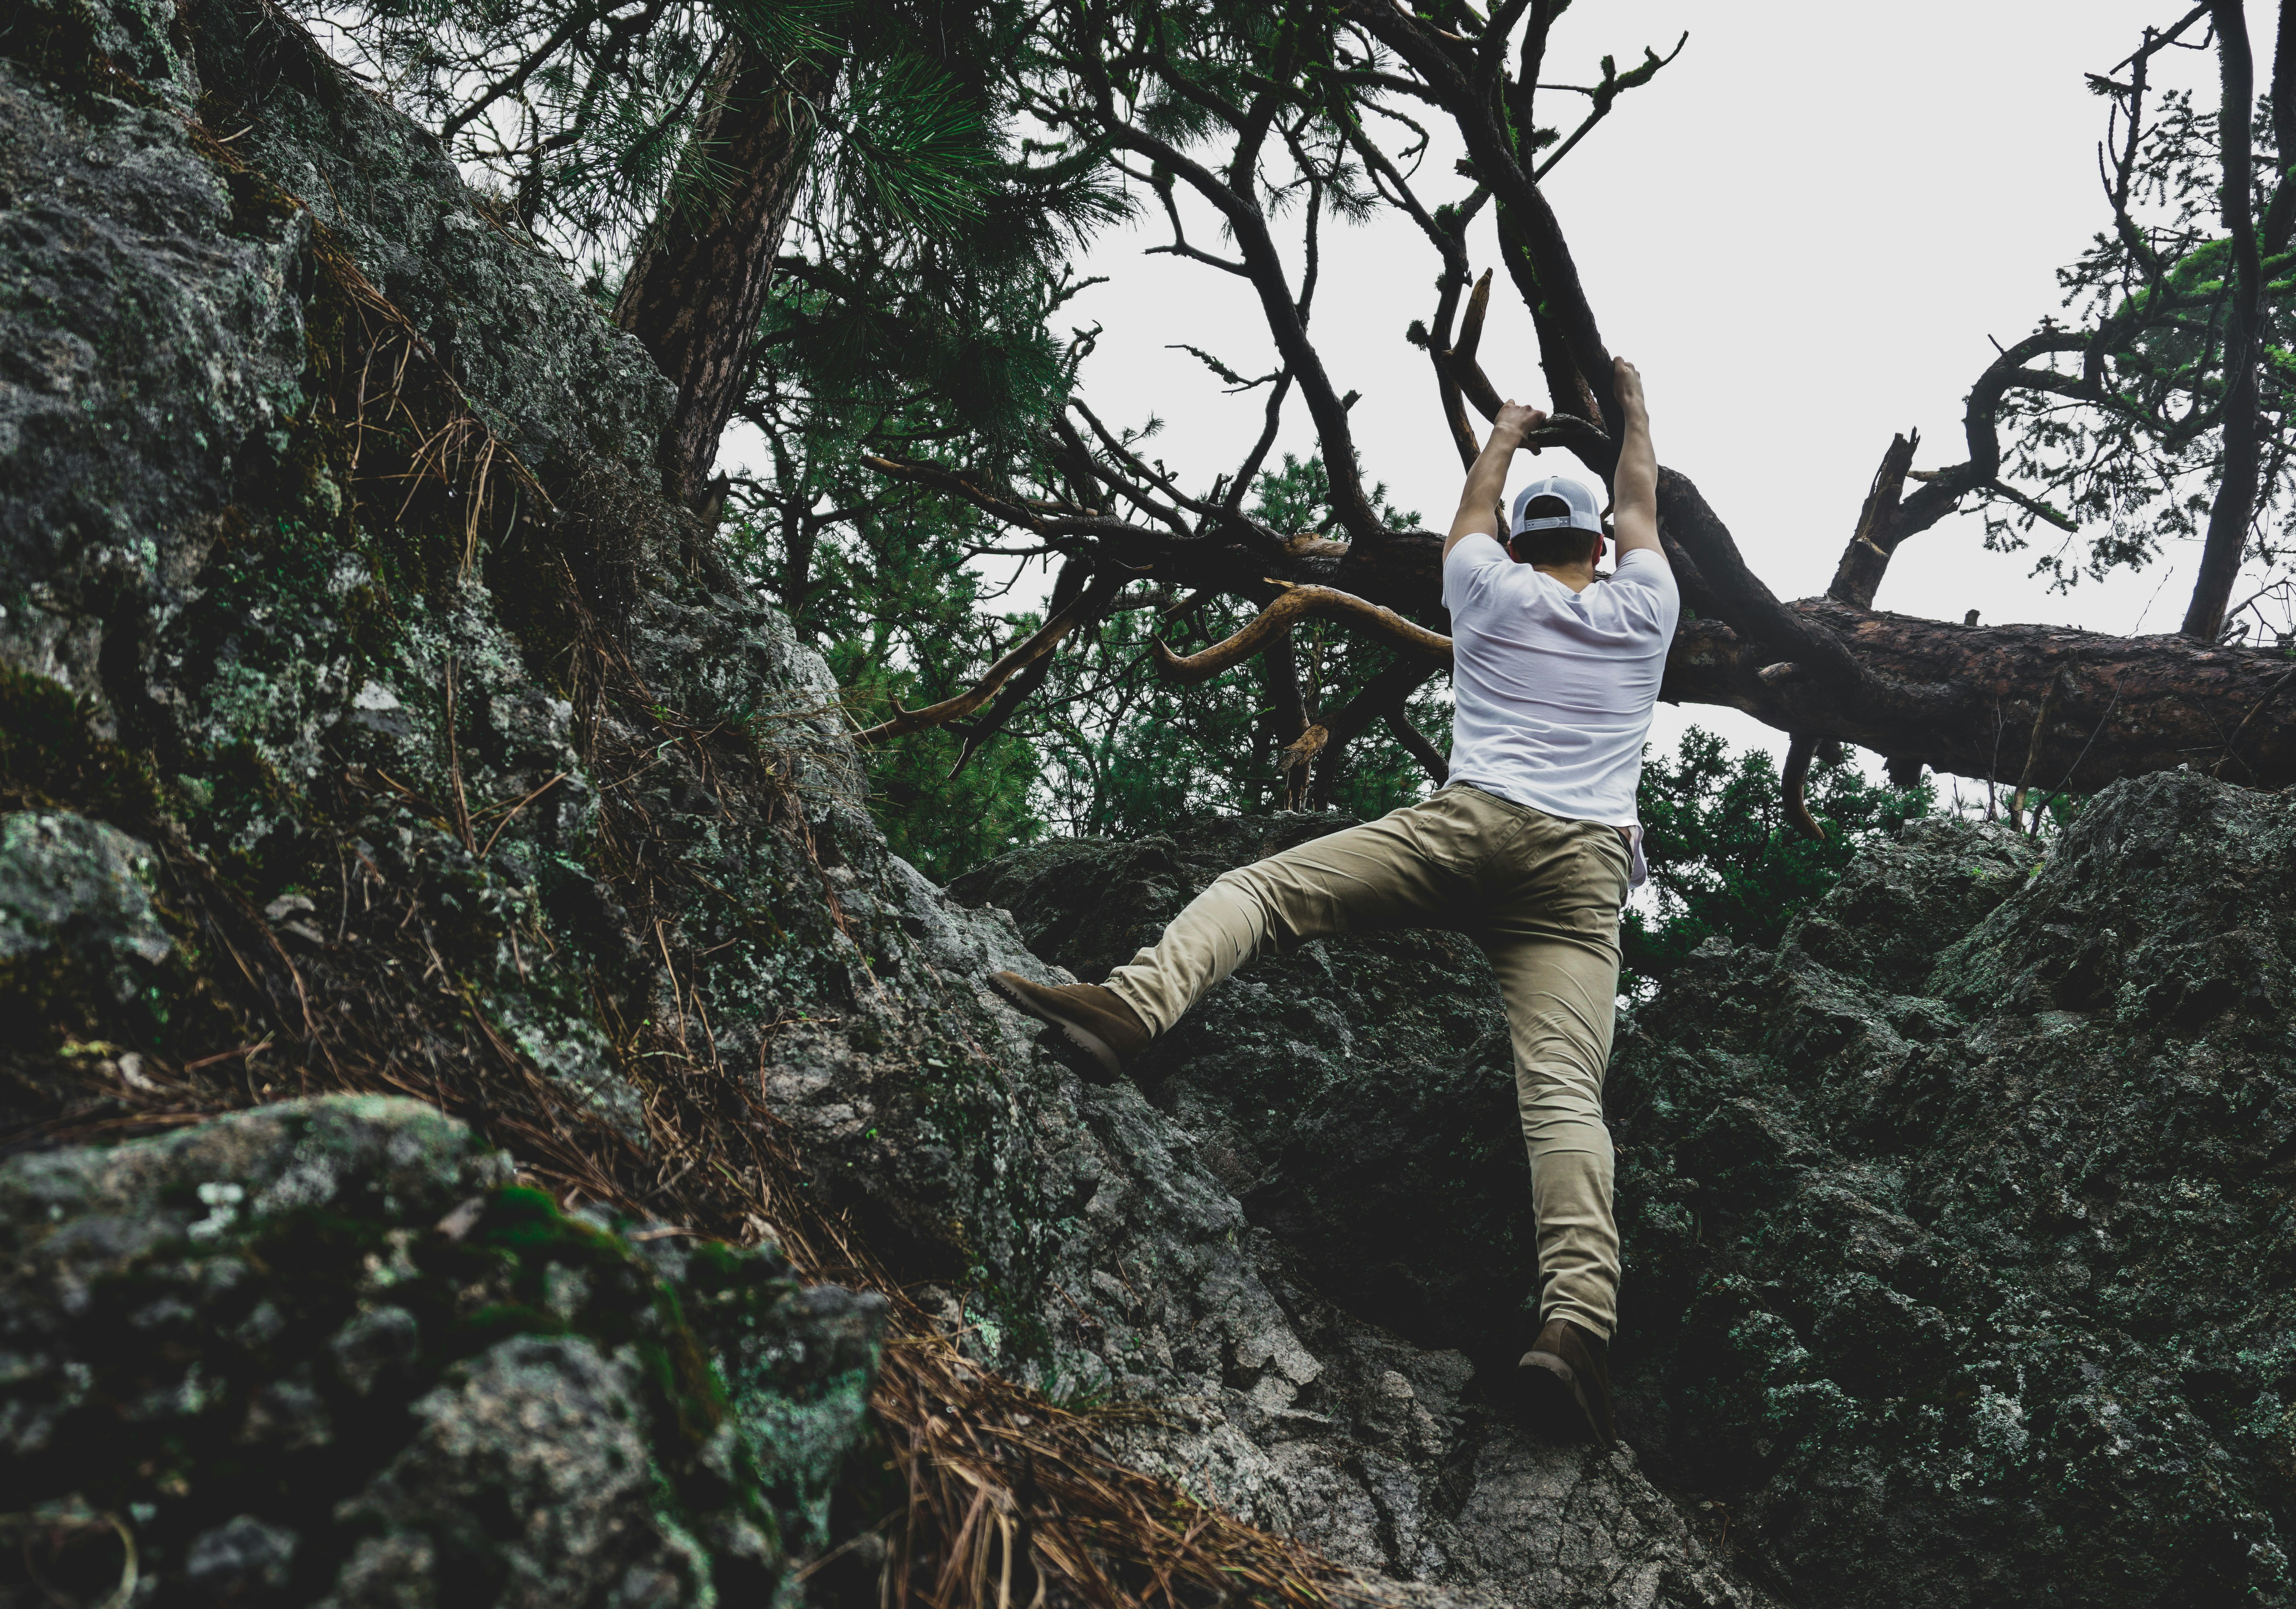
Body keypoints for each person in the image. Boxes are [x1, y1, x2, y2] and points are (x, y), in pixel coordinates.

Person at [987, 357, 1678, 1445]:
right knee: (1560, 1098)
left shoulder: (1483, 586)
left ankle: (1130, 1008)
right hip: (1580, 872)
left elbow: (1470, 509)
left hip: (1472, 823)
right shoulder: (1645, 604)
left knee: (1263, 891)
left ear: (1520, 536)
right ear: (1596, 545)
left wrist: (1503, 427)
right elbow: (1639, 495)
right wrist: (1630, 410)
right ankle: (1574, 1331)